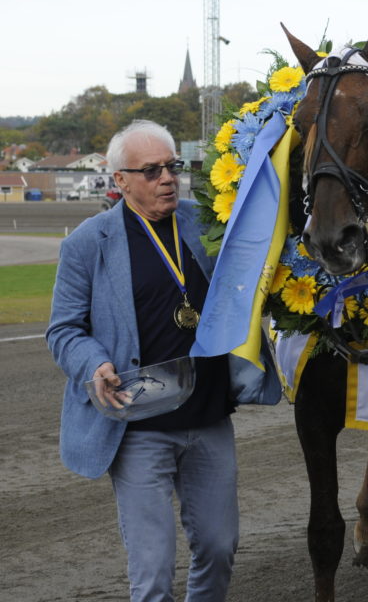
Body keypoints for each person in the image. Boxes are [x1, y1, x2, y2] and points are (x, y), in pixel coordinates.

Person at [46, 120, 281, 601]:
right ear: (120, 181)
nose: (167, 178)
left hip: (209, 418)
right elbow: (64, 330)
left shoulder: (210, 225)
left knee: (218, 549)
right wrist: (94, 364)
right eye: (150, 171)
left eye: (172, 167)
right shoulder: (87, 245)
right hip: (138, 427)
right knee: (152, 575)